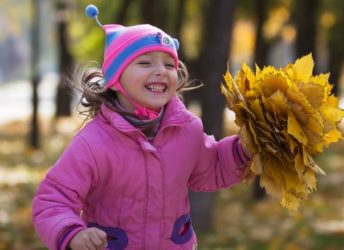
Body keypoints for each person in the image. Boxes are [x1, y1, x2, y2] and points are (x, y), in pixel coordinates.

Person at [32, 5, 250, 250]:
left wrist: (247, 149)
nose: (160, 71)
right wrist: (72, 234)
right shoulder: (94, 143)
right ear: (115, 79)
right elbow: (53, 199)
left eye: (169, 65)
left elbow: (213, 167)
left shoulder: (188, 130)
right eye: (145, 63)